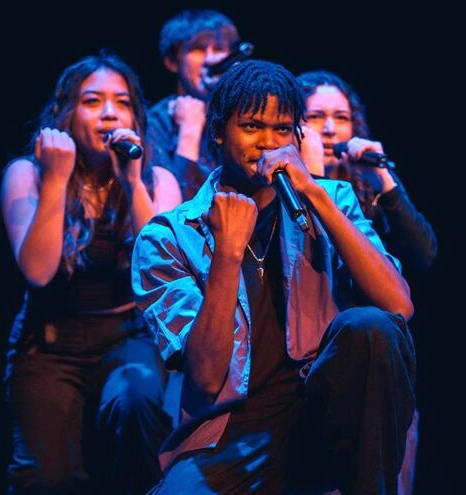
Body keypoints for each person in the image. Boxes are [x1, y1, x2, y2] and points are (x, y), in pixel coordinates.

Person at [133, 60, 416, 494]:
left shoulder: (331, 200)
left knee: (371, 326)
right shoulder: (168, 236)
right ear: (218, 132)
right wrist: (226, 255)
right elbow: (205, 378)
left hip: (324, 411)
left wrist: (316, 195)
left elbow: (398, 306)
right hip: (232, 432)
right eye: (251, 126)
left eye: (282, 129)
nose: (268, 143)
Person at [0, 52, 181, 494]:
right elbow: (39, 272)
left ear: (136, 115)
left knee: (138, 406)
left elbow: (161, 271)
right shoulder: (28, 174)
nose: (108, 113)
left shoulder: (160, 182)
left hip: (127, 337)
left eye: (121, 102)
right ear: (66, 113)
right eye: (92, 101)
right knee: (49, 478)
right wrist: (57, 181)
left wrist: (133, 184)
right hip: (48, 344)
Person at [298, 70, 438, 495]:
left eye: (341, 117)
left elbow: (424, 254)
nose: (329, 126)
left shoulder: (367, 189)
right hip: (313, 352)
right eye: (317, 116)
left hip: (378, 350)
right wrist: (315, 177)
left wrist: (385, 180)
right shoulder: (290, 188)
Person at [147, 9, 240, 199]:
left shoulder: (238, 118)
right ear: (172, 61)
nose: (211, 59)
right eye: (198, 49)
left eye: (219, 49)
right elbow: (173, 208)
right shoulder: (154, 123)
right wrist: (189, 130)